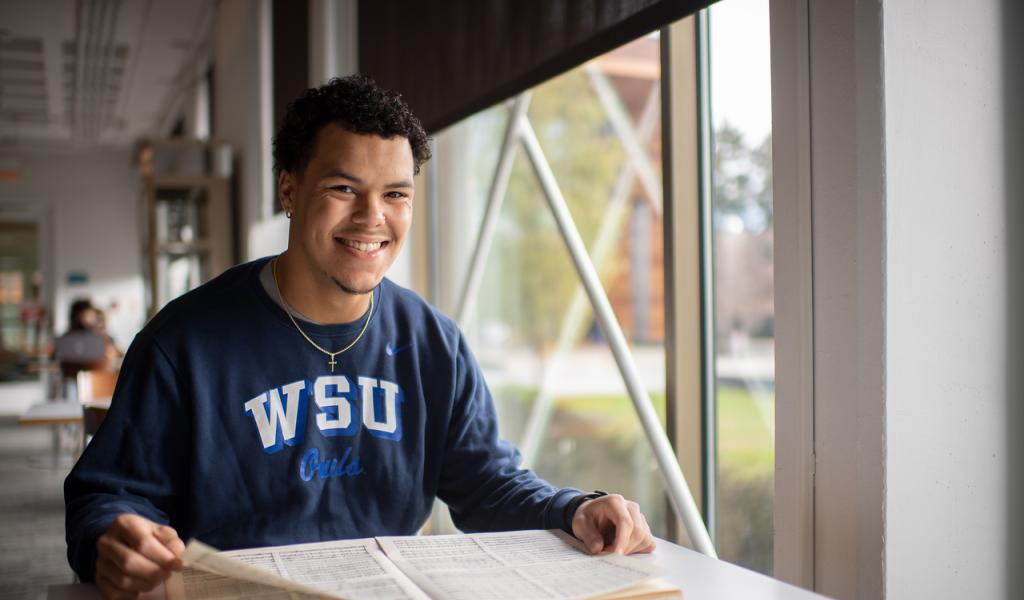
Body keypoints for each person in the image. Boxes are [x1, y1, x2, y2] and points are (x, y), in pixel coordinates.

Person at [65, 75, 656, 599]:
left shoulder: (433, 343)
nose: (373, 217)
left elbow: (486, 484)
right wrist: (111, 539)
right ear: (290, 191)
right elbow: (106, 496)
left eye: (395, 194)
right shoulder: (182, 343)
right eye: (343, 189)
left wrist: (573, 507)